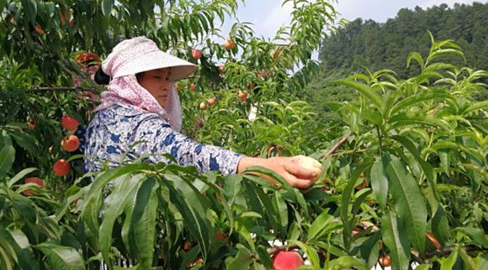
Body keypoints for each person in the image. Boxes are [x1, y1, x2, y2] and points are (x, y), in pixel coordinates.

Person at [84, 36, 319, 188]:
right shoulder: (135, 122)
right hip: (140, 253)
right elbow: (187, 154)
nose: (166, 86)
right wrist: (263, 167)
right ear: (131, 81)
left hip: (107, 244)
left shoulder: (102, 116)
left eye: (168, 78)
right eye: (157, 77)